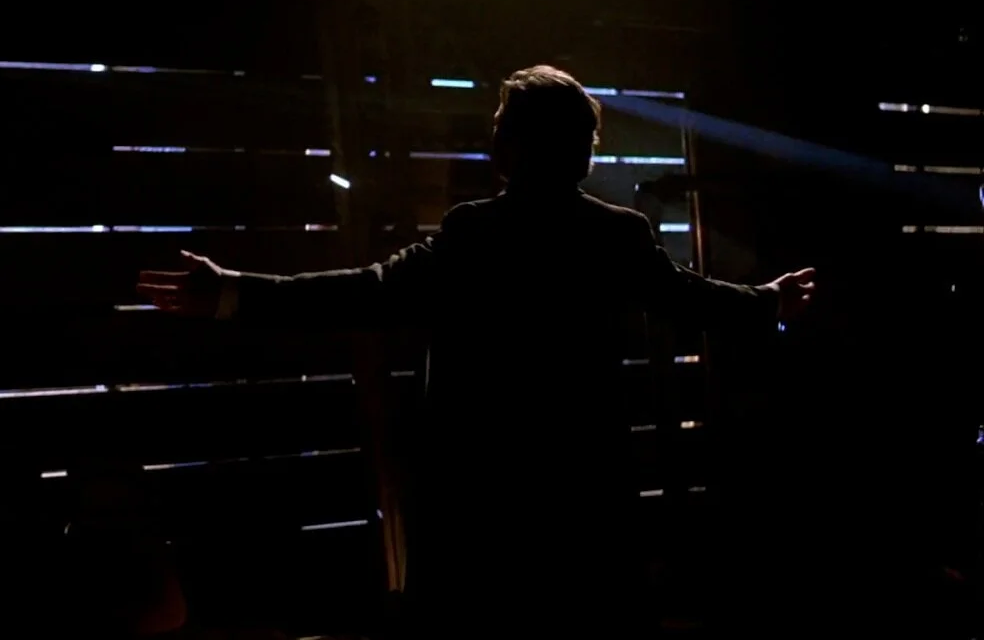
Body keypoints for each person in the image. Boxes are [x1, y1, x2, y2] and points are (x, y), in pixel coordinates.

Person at [138, 65, 814, 634]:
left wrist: (233, 293)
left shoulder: (474, 235)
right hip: (582, 503)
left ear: (509, 147)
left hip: (480, 510)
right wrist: (767, 301)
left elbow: (364, 291)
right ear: (581, 150)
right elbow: (689, 298)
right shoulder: (615, 236)